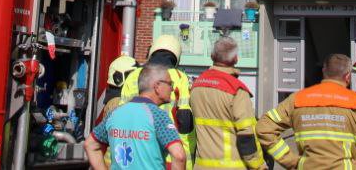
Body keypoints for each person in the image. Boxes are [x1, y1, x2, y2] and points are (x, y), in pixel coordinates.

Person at [257, 53, 356, 170]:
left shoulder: (297, 99)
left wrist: (292, 161)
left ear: (324, 72)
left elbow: (264, 128)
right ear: (348, 76)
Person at [86, 62, 187, 170]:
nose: (172, 89)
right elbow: (179, 156)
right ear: (157, 86)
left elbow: (90, 145)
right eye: (170, 84)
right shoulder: (157, 116)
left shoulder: (115, 113)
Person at [188, 37, 264, 170]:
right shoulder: (236, 90)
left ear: (212, 56)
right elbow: (246, 135)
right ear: (235, 59)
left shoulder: (196, 86)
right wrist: (258, 166)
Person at [122, 35, 194, 153]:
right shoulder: (180, 77)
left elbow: (122, 113)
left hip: (137, 146)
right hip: (171, 149)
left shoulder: (133, 75)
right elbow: (185, 120)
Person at [97, 55, 139, 124]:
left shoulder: (121, 99)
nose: (136, 78)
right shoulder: (116, 103)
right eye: (132, 75)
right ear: (118, 78)